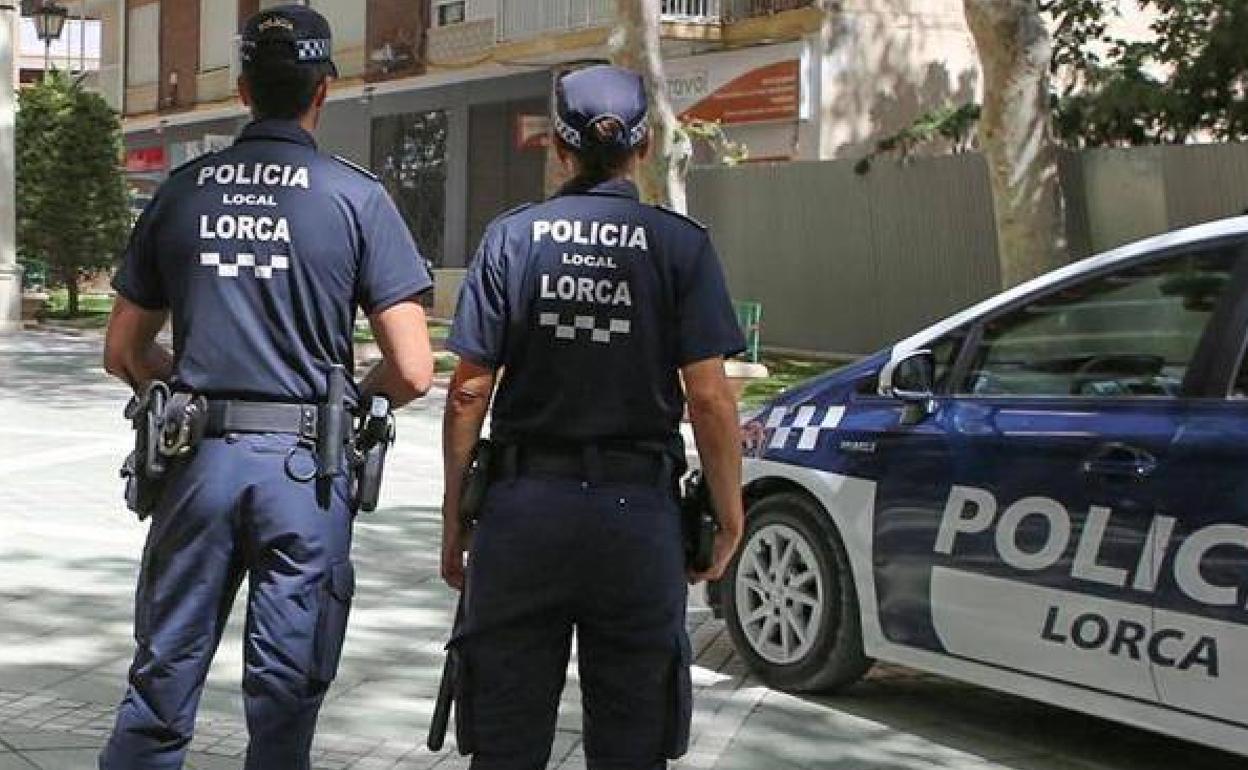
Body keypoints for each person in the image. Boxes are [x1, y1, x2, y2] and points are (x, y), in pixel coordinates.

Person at [98, 5, 435, 768]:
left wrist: (188, 394)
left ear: (244, 89)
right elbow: (415, 369)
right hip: (304, 474)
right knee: (284, 701)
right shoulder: (356, 198)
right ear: (324, 90)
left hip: (196, 465)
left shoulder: (184, 191)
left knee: (160, 685)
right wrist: (349, 401)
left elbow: (122, 348)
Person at [441, 65, 746, 770]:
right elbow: (709, 399)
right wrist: (729, 516)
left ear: (558, 148)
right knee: (634, 743)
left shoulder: (513, 238)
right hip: (637, 520)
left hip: (523, 515)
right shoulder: (680, 245)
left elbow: (467, 392)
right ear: (644, 148)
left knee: (505, 741)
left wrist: (457, 516)